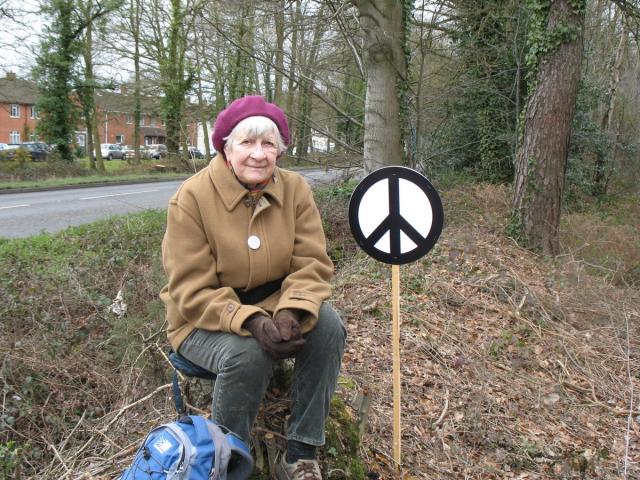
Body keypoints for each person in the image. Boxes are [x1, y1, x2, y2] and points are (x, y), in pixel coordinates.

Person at [160, 95, 346, 480]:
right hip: (201, 320)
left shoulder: (295, 190)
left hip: (275, 304)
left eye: (268, 144)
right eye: (247, 143)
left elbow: (312, 262)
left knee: (328, 325)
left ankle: (301, 452)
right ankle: (226, 465)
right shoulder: (191, 199)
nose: (258, 154)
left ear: (280, 150)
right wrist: (252, 321)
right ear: (226, 148)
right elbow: (190, 288)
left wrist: (292, 310)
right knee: (248, 353)